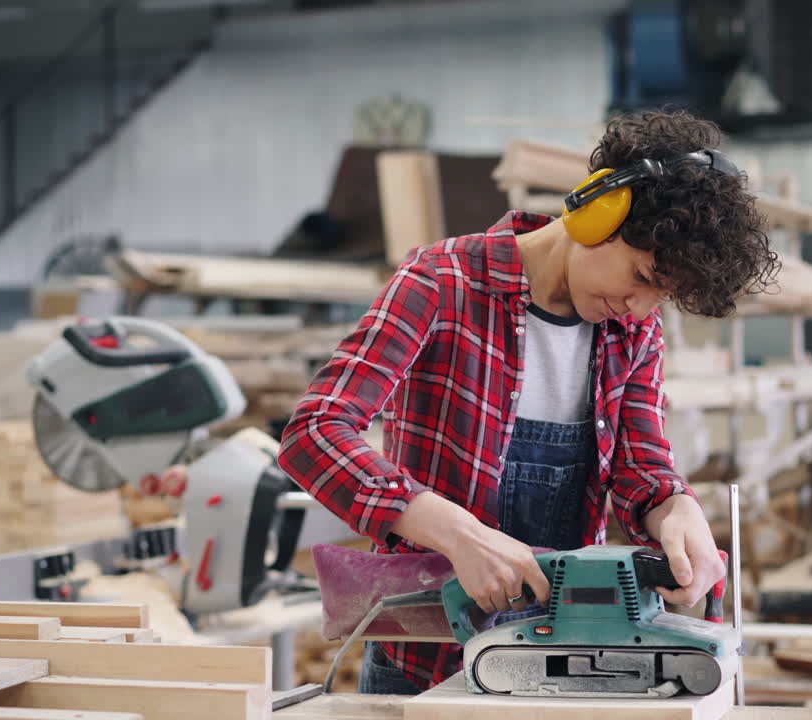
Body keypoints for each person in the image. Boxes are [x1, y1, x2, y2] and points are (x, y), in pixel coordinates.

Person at [278, 108, 778, 694]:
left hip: (567, 661)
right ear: (597, 214)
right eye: (643, 277)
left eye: (661, 298)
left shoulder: (631, 331)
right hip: (430, 664)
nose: (642, 309)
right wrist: (457, 533)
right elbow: (313, 431)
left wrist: (675, 509)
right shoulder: (442, 282)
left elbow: (640, 468)